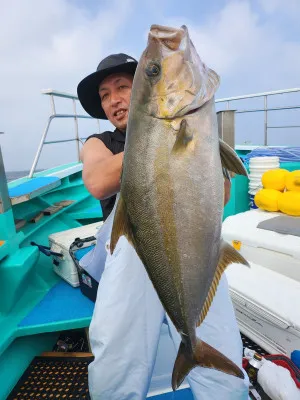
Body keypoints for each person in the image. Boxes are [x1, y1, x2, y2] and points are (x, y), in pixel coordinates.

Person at [77, 53, 249, 399]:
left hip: (192, 242)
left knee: (220, 344)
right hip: (131, 245)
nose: (113, 100)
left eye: (123, 87)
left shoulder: (191, 132)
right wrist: (159, 134)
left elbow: (223, 197)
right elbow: (96, 181)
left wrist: (194, 144)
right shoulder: (100, 143)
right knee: (117, 348)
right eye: (105, 95)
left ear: (143, 92)